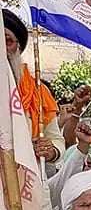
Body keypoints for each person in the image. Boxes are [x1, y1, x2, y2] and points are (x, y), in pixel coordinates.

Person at [3, 9, 63, 162]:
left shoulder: (38, 92)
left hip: (26, 178)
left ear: (18, 48)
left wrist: (51, 151)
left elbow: (57, 140)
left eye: (7, 40)